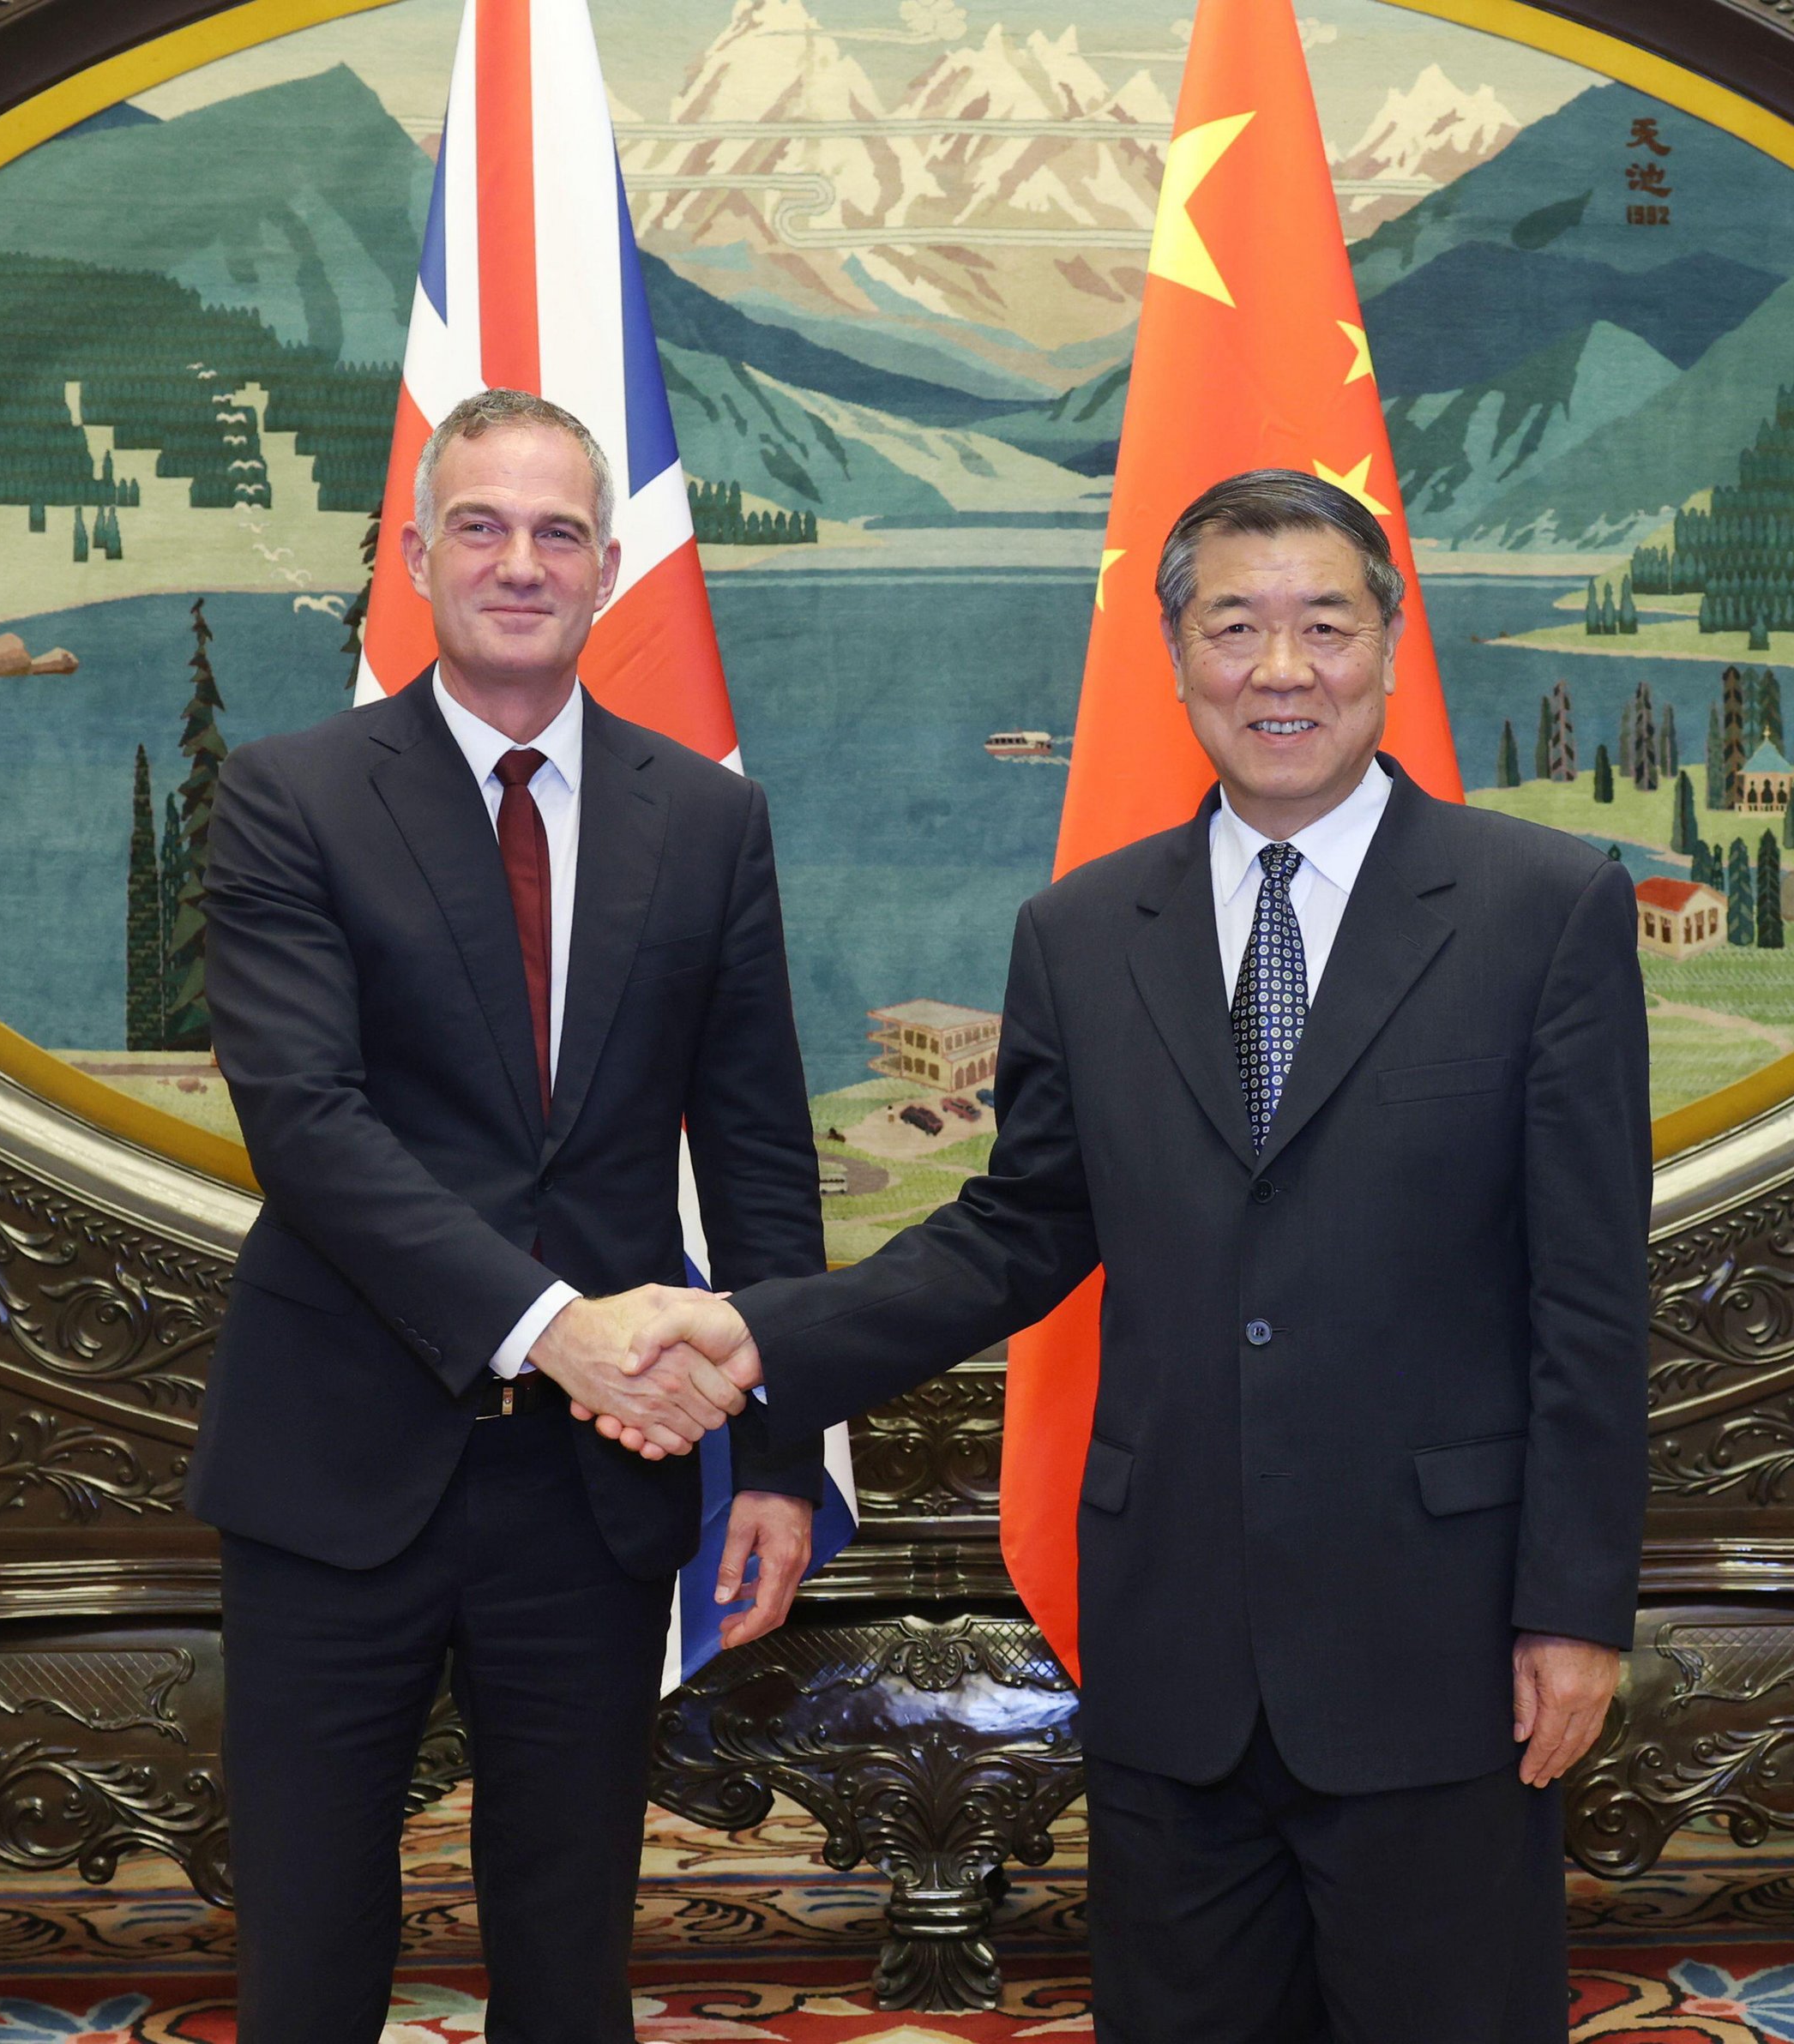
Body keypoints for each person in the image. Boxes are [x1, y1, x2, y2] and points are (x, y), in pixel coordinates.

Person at [615, 469, 1650, 2042]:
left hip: (1437, 1636)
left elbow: (1587, 1295)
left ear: (1387, 643)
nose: (1280, 669)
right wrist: (762, 1340)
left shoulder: (1540, 906)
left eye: (1323, 624)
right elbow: (1021, 1227)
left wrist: (1572, 1609)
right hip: (1175, 1637)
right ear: (1177, 662)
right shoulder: (1085, 931)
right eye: (1236, 627)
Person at [189, 388, 817, 2044]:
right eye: (480, 525)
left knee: (569, 1952)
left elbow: (756, 1153)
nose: (518, 562)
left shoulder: (709, 820)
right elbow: (305, 1128)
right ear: (415, 558)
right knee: (311, 1955)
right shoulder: (290, 796)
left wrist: (776, 1457)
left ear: (610, 566)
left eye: (556, 532)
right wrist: (562, 1333)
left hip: (591, 1497)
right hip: (336, 1466)